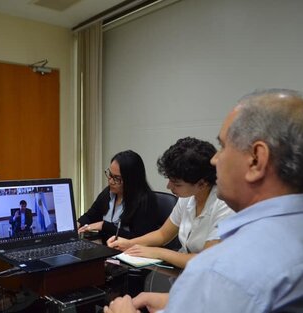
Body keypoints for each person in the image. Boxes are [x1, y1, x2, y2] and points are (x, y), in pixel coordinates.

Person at [104, 88, 303, 313]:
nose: (215, 160)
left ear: (257, 160)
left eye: (223, 147)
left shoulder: (224, 269)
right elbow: (163, 234)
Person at [107, 137, 234, 269]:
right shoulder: (188, 197)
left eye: (176, 183)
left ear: (202, 183)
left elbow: (206, 261)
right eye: (169, 179)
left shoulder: (224, 205)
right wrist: (129, 244)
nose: (168, 186)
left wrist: (159, 252)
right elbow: (162, 234)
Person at [78, 150, 163, 244]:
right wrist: (76, 225)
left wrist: (104, 226)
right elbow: (90, 216)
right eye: (110, 175)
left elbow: (139, 240)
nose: (111, 181)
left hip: (130, 255)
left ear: (132, 179)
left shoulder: (146, 201)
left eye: (117, 178)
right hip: (107, 250)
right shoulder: (108, 193)